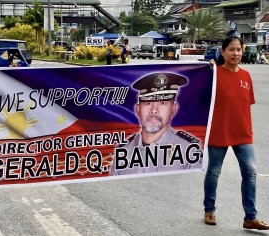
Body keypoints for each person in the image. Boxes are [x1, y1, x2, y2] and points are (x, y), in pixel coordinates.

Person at [203, 36, 269, 230]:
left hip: (242, 133)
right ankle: (209, 210)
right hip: (218, 131)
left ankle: (250, 217)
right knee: (214, 172)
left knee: (250, 172)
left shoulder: (246, 76)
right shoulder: (213, 74)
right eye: (231, 49)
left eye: (239, 49)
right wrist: (208, 71)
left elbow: (244, 105)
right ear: (223, 52)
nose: (236, 53)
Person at [110, 72, 202, 175]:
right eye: (148, 103)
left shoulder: (189, 148)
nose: (154, 110)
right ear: (138, 109)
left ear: (173, 109)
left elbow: (195, 186)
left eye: (163, 103)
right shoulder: (123, 151)